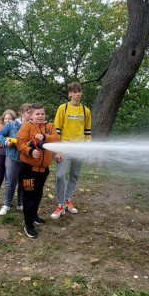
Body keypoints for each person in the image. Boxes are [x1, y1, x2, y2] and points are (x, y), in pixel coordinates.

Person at [16, 103, 62, 238]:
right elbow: (20, 143)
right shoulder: (26, 126)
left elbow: (56, 139)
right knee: (29, 196)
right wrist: (30, 151)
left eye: (42, 114)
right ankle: (28, 225)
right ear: (31, 115)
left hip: (43, 170)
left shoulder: (50, 126)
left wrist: (44, 137)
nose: (40, 116)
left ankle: (34, 215)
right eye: (37, 114)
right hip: (27, 170)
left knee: (38, 194)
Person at [51, 81, 91, 219]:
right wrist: (57, 150)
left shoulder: (86, 110)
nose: (77, 94)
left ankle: (68, 200)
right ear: (69, 94)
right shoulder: (63, 108)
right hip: (64, 148)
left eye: (79, 91)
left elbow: (87, 132)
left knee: (74, 175)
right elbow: (56, 131)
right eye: (74, 92)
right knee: (60, 175)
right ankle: (60, 204)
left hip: (79, 149)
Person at [0, 103, 33, 215]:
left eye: (32, 112)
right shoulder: (12, 124)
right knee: (10, 182)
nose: (31, 115)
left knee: (26, 182)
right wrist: (6, 142)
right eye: (29, 112)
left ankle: (22, 204)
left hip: (28, 158)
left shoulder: (33, 125)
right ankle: (6, 204)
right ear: (22, 113)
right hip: (13, 157)